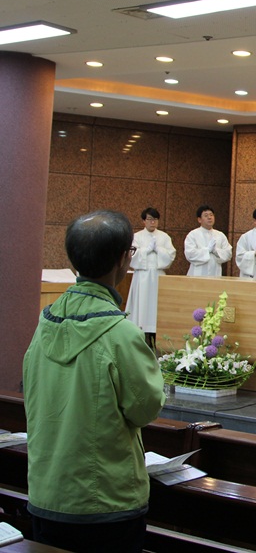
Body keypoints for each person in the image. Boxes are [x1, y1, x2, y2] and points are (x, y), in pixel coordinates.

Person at [23, 210, 166, 553]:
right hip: (105, 501)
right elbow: (146, 408)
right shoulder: (121, 333)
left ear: (73, 262)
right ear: (123, 259)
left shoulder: (44, 323)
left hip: (46, 493)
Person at [124, 207, 177, 348]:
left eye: (155, 219)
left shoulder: (164, 237)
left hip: (158, 276)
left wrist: (158, 249)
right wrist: (146, 250)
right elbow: (131, 255)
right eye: (149, 219)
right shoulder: (137, 237)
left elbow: (171, 255)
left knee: (156, 308)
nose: (152, 222)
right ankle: (140, 338)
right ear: (144, 221)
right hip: (142, 276)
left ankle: (156, 339)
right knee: (142, 307)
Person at [184, 205, 232, 277]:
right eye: (206, 215)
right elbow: (190, 254)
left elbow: (228, 253)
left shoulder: (220, 235)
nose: (209, 217)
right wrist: (207, 250)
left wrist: (216, 251)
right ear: (199, 219)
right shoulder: (193, 234)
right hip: (197, 275)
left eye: (211, 215)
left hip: (215, 274)